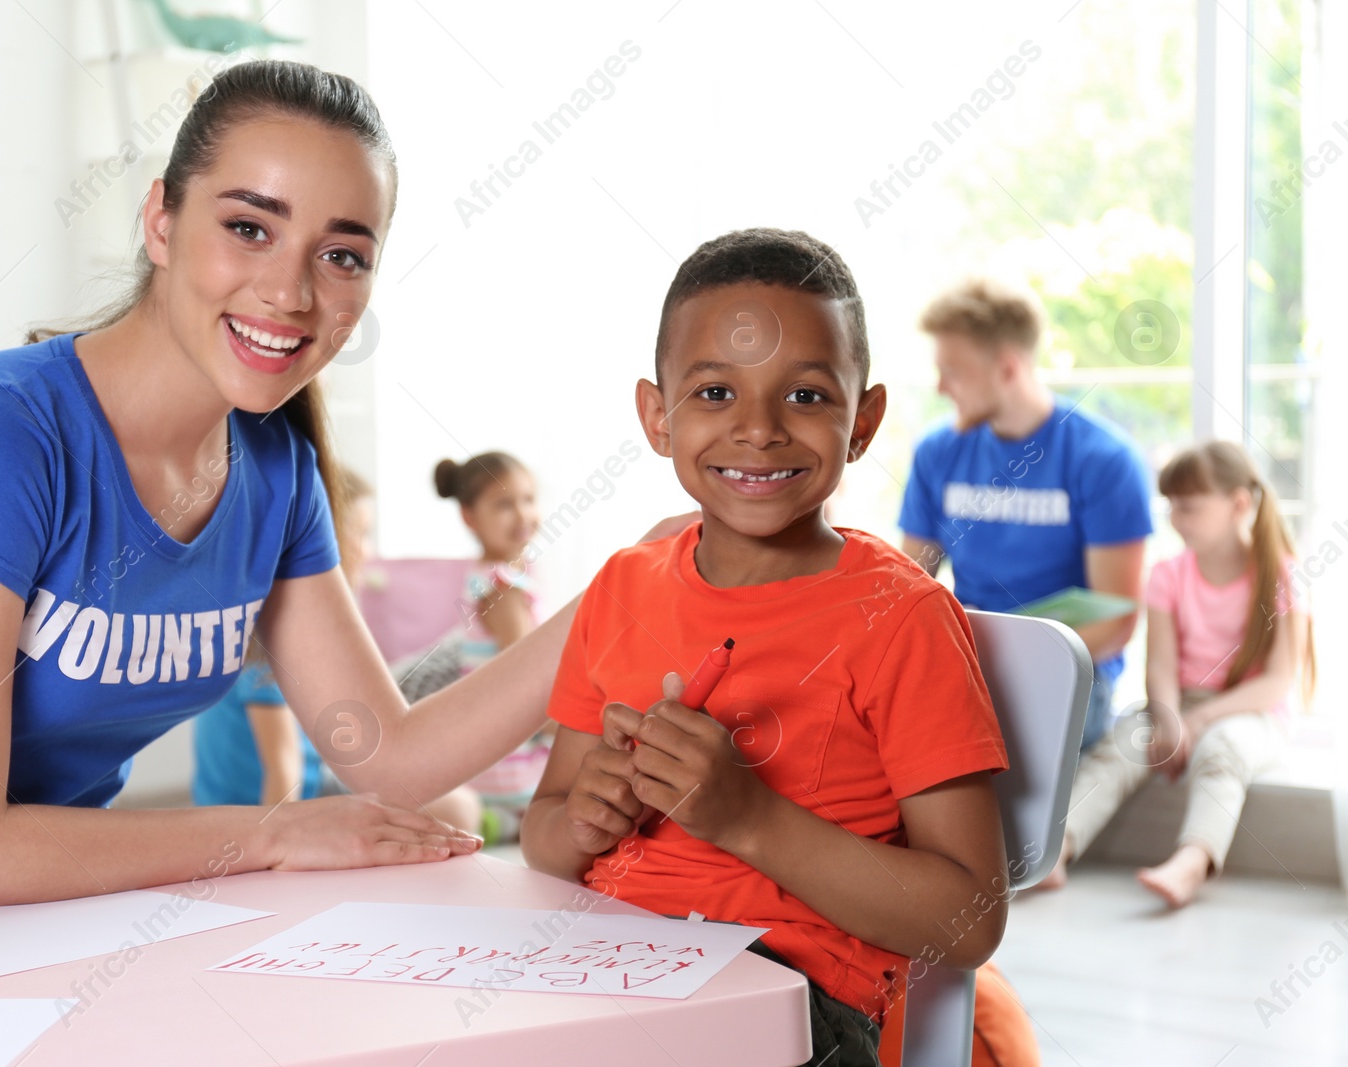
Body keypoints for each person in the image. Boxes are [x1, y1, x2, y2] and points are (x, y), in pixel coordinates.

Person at [0, 59, 685, 913]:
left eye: (342, 254)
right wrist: (272, 834)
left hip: (69, 891)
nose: (291, 291)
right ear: (161, 221)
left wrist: (631, 584)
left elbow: (388, 754)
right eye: (248, 228)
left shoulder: (275, 469)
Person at [521, 229, 1012, 1067]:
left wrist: (747, 817)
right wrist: (582, 819)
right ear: (656, 415)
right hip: (605, 971)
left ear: (864, 420)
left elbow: (969, 920)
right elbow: (543, 830)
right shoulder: (622, 586)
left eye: (808, 397)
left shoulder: (904, 616)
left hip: (790, 1004)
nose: (758, 429)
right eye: (714, 391)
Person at [1041, 442, 1313, 906]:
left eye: (1188, 508)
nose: (1174, 519)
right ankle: (1057, 852)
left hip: (1252, 711)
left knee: (1222, 750)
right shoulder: (1168, 574)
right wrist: (1169, 718)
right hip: (1179, 702)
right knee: (1119, 749)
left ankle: (1192, 861)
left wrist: (1200, 722)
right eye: (1170, 507)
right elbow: (1161, 665)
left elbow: (1276, 681)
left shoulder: (1281, 577)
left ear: (1238, 505)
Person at [899, 278, 1154, 752]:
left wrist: (1002, 671)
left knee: (973, 748)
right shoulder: (936, 453)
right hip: (968, 663)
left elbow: (1116, 623)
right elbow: (912, 586)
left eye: (952, 371)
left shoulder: (1104, 461)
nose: (940, 387)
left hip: (1070, 674)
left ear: (1007, 368)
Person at [190, 469, 482, 834]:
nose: (367, 550)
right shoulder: (277, 630)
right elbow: (283, 770)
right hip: (282, 799)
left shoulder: (260, 612)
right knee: (459, 808)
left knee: (454, 800)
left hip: (293, 785)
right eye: (358, 533)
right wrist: (275, 850)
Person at [390, 452, 550, 842]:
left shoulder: (486, 578)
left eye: (528, 499)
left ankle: (502, 821)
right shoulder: (502, 589)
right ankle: (511, 817)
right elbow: (531, 678)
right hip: (510, 761)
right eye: (504, 504)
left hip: (487, 757)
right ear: (469, 517)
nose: (522, 514)